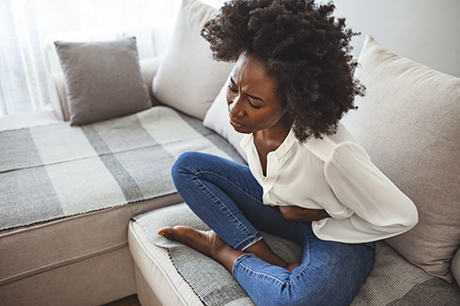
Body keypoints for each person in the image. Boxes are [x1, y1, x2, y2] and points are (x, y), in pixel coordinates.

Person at [158, 0, 419, 305]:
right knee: (187, 167)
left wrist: (326, 214)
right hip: (282, 210)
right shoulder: (253, 126)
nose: (234, 109)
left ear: (292, 102)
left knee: (299, 302)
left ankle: (223, 251)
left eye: (254, 102)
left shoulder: (331, 152)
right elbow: (269, 186)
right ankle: (264, 256)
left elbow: (404, 215)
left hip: (339, 236)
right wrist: (287, 209)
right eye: (233, 88)